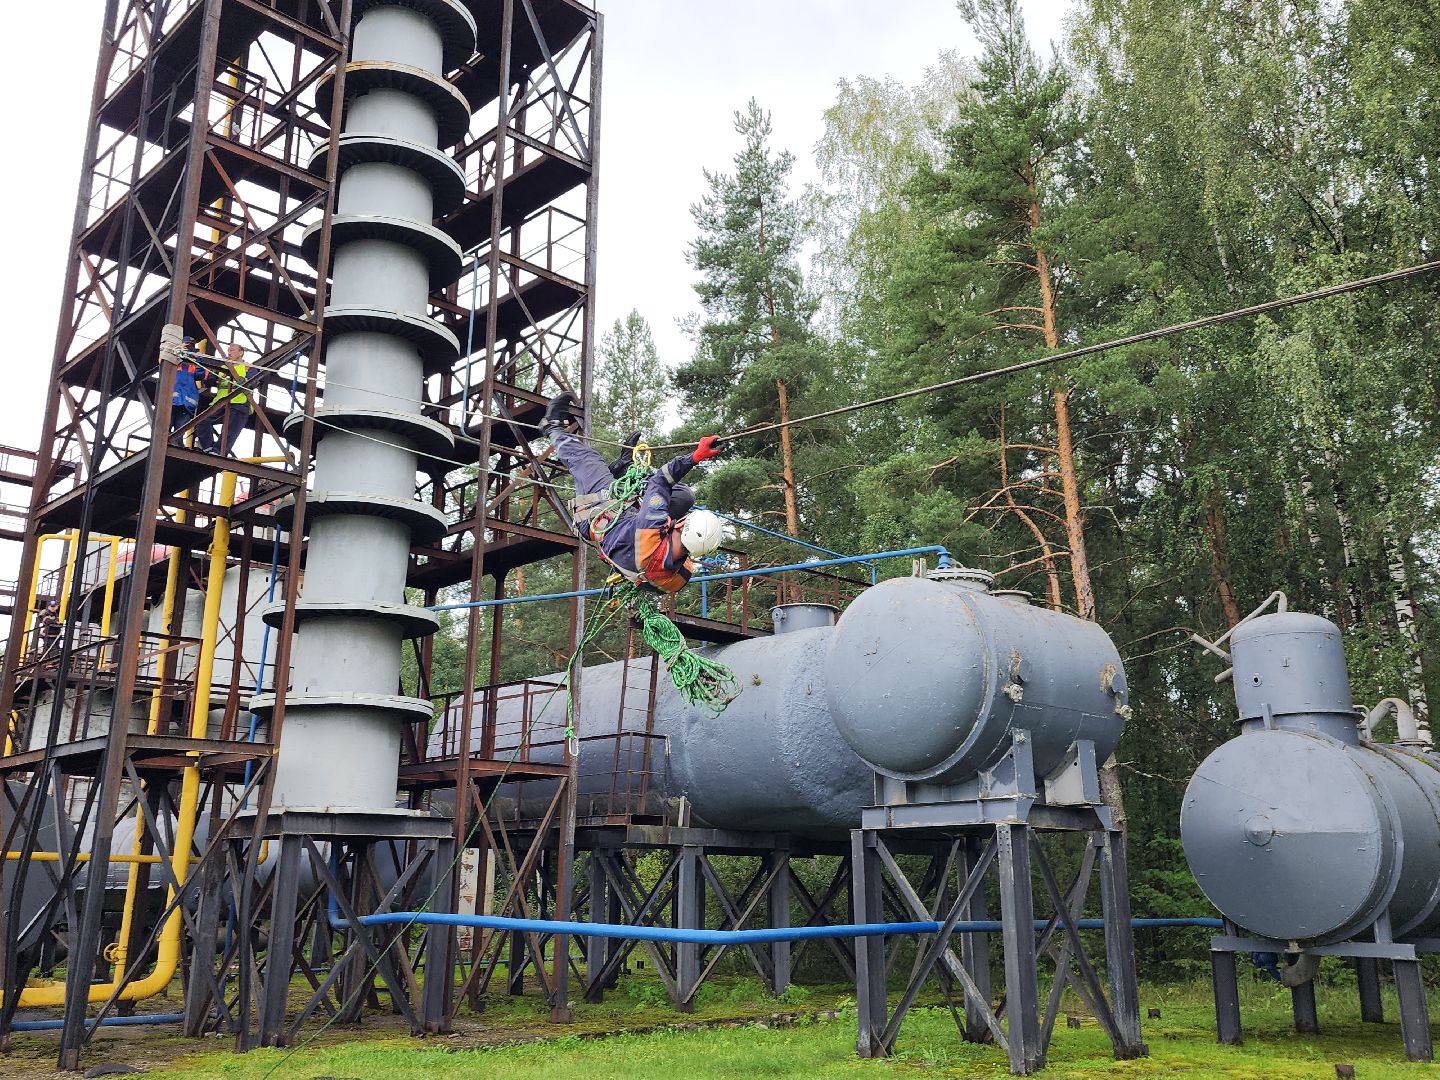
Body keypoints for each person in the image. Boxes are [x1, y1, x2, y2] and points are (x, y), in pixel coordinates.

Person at [542, 393, 724, 593]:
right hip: (628, 530)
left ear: (682, 524)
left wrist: (696, 456)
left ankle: (551, 427)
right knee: (684, 497)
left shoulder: (650, 531)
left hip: (596, 513)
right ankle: (625, 470)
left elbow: (661, 480)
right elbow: (655, 582)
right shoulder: (678, 578)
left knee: (585, 458)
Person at [197, 343, 252, 456]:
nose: (229, 353)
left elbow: (253, 382)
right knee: (203, 421)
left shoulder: (248, 367)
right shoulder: (223, 368)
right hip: (221, 401)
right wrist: (210, 377)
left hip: (239, 403)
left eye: (232, 350)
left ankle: (218, 452)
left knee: (230, 430)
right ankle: (208, 448)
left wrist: (244, 380)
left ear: (241, 353)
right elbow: (209, 380)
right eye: (228, 350)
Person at [169, 336, 208, 436]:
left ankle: (173, 450)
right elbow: (163, 362)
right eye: (186, 344)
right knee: (165, 431)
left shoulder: (193, 362)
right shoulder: (173, 357)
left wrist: (199, 358)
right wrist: (179, 352)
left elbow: (201, 374)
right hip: (171, 402)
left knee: (178, 435)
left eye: (191, 345)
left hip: (187, 404)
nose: (188, 347)